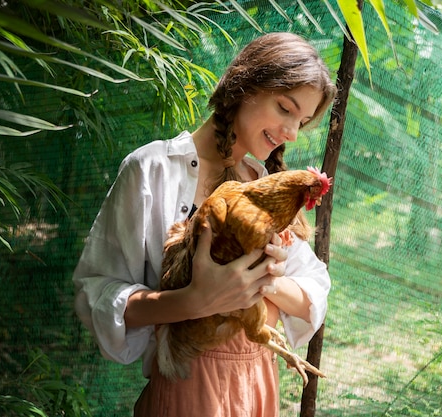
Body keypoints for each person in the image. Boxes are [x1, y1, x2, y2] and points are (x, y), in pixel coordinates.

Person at [72, 31, 336, 417]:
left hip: (257, 383)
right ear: (245, 85)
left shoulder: (266, 188)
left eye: (303, 121)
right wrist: (192, 301)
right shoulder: (152, 170)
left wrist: (264, 280)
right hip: (187, 385)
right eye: (285, 108)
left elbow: (314, 289)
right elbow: (97, 294)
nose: (292, 133)